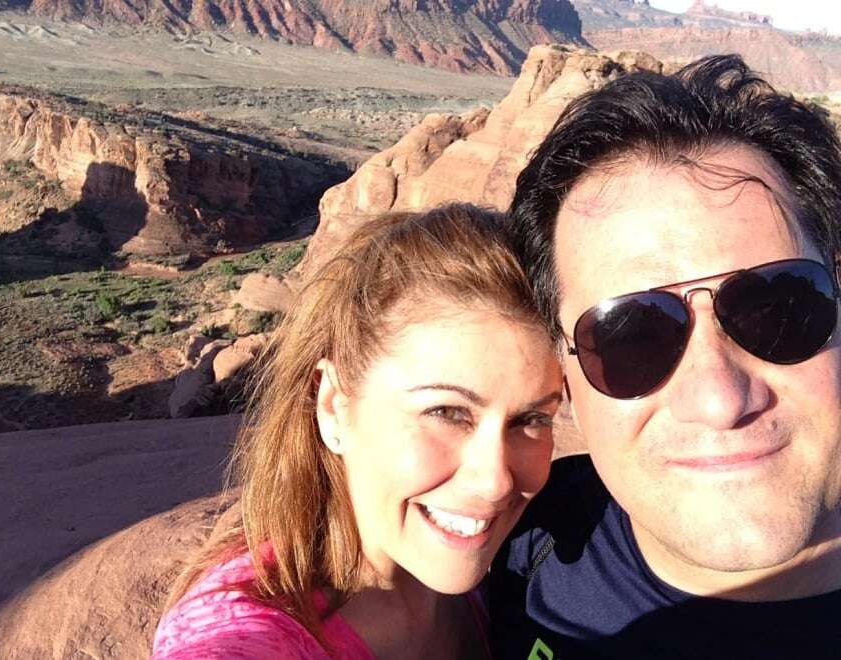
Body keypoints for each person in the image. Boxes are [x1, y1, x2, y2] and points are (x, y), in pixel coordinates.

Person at [491, 55, 841, 658]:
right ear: (563, 376)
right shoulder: (515, 539)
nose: (719, 400)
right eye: (631, 337)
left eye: (777, 310)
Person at [151, 204, 564, 659]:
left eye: (532, 419)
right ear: (332, 405)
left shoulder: (522, 566)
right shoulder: (251, 634)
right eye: (447, 411)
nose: (495, 482)